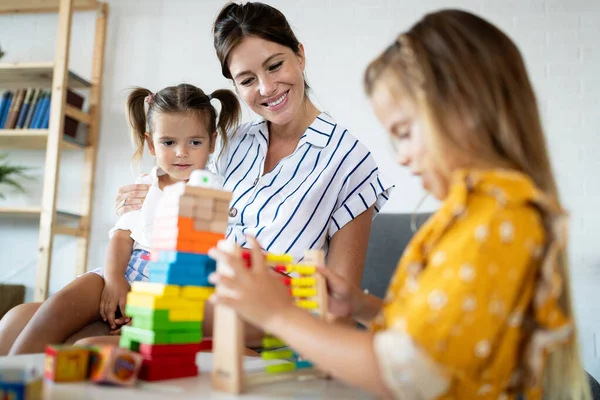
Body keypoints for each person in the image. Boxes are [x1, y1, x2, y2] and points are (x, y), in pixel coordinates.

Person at [206, 9, 592, 400]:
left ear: (465, 110)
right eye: (248, 79)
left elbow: (407, 372)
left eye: (405, 133)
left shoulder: (499, 221)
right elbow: (436, 327)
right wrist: (361, 306)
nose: (402, 157)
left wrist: (276, 314)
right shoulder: (470, 215)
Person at [0, 2, 392, 353]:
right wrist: (143, 199)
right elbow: (177, 180)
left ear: (300, 56)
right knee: (14, 321)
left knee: (86, 346)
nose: (267, 88)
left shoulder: (349, 159)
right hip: (180, 287)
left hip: (252, 321)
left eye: (275, 65)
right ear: (235, 84)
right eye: (247, 79)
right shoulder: (235, 142)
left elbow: (337, 307)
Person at [0, 83, 240, 355]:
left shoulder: (212, 191)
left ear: (212, 142)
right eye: (168, 142)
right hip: (122, 268)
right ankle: (13, 373)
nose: (181, 152)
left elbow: (199, 259)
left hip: (165, 285)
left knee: (85, 339)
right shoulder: (145, 186)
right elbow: (122, 236)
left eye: (194, 142)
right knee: (61, 303)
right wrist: (114, 281)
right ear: (151, 143)